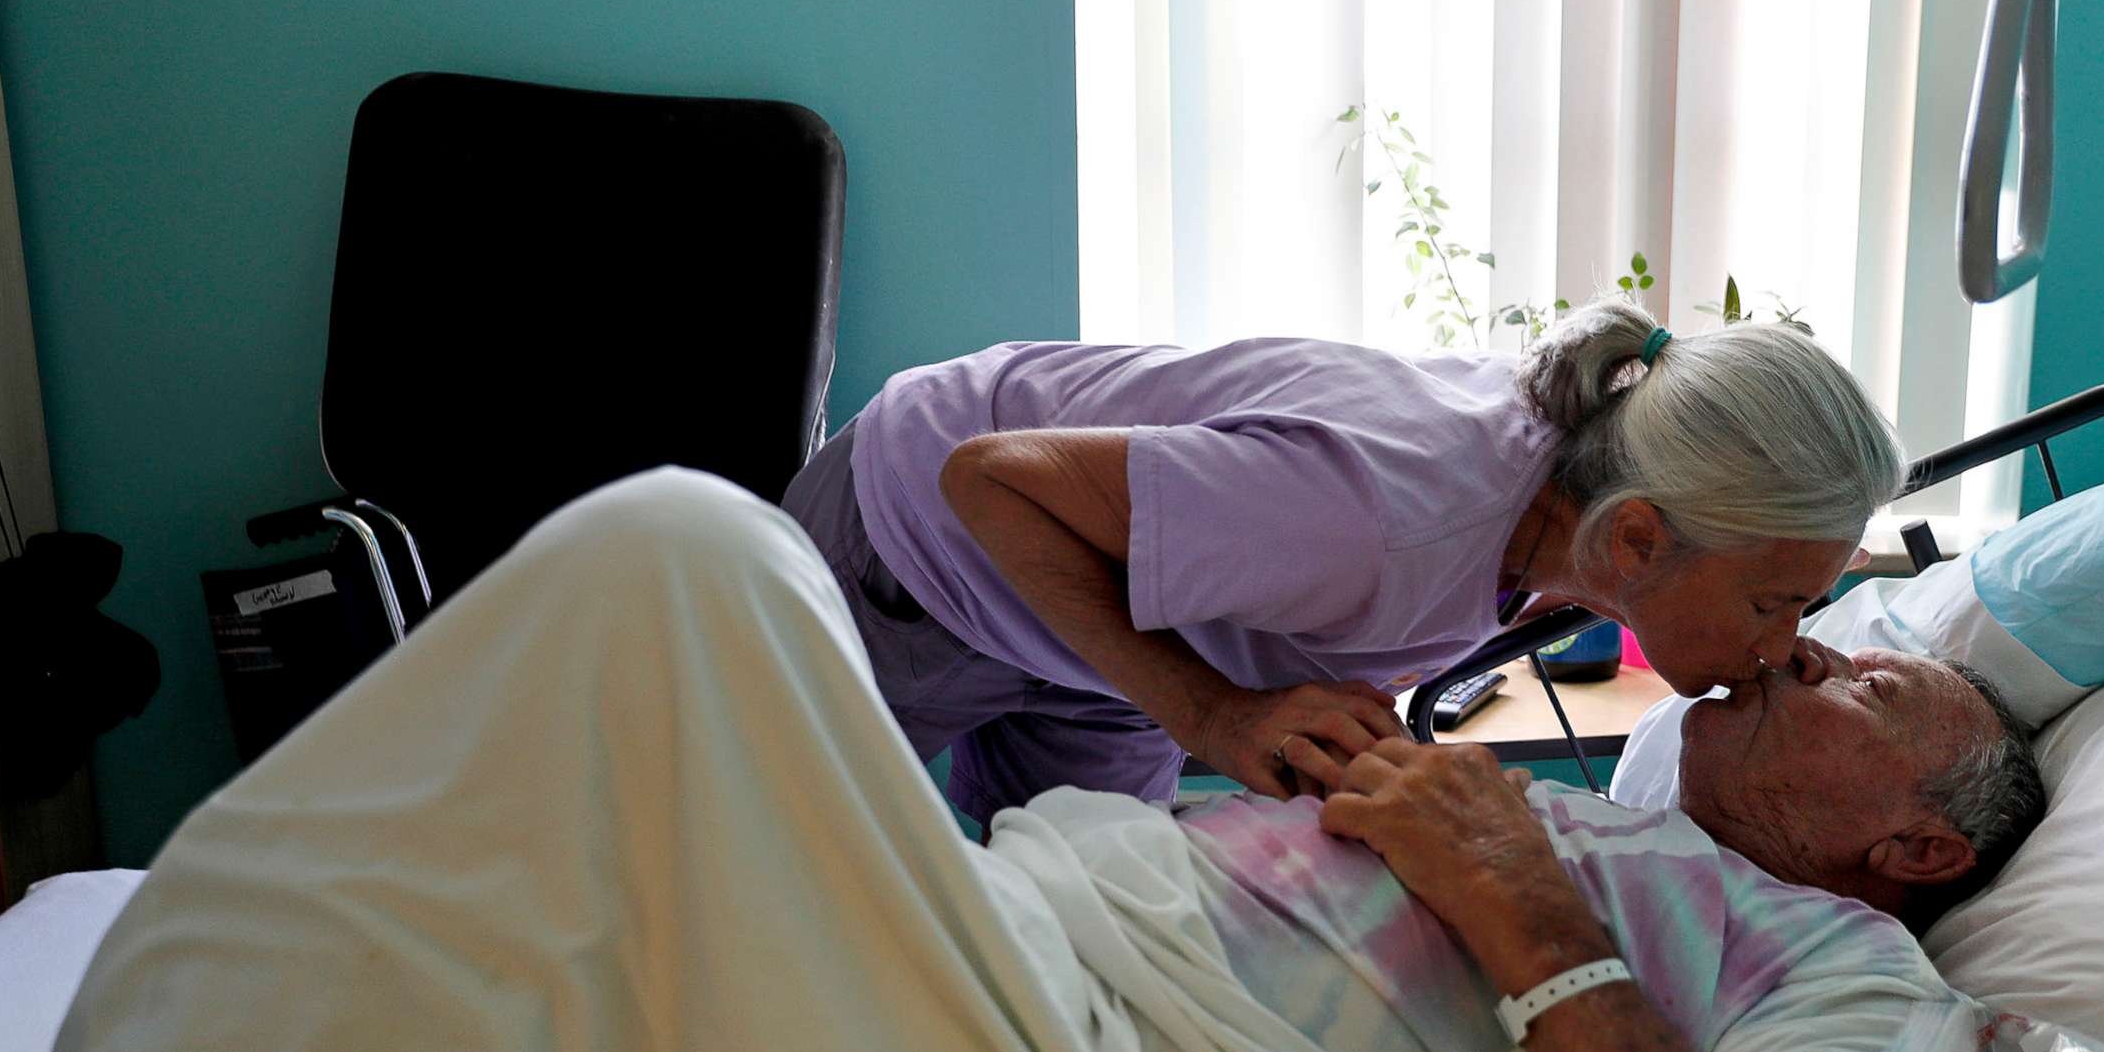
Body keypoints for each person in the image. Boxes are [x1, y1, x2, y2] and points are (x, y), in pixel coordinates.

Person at [0, 471, 2039, 1052]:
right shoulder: (1590, 802)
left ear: (1919, 844)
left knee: (683, 559)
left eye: (1879, 689)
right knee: (580, 792)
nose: (1830, 651)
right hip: (1001, 969)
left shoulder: (1861, 982)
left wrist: (1509, 899)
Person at [785, 300, 1902, 823]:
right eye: (1777, 602)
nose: (1786, 644)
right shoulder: (1375, 519)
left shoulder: (1556, 518)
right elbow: (991, 480)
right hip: (929, 547)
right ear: (1640, 539)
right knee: (762, 870)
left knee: (1081, 922)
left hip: (1133, 629)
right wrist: (1213, 714)